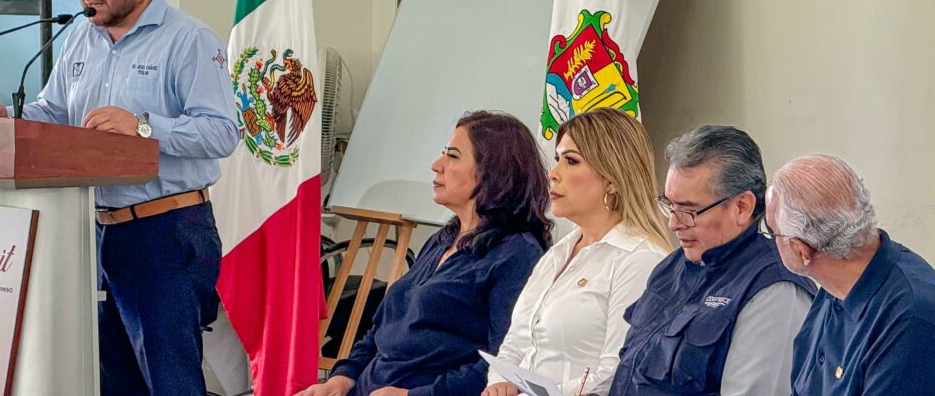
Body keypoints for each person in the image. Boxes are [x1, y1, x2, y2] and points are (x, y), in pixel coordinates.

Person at [0, 0, 239, 395]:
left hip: (165, 232)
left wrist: (141, 127)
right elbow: (54, 112)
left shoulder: (189, 41)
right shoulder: (79, 38)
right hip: (90, 232)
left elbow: (221, 133)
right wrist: (9, 121)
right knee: (110, 379)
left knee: (170, 380)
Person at [296, 111, 552, 396]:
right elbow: (383, 331)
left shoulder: (516, 254)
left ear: (492, 170)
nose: (436, 165)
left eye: (452, 156)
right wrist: (341, 379)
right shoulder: (442, 239)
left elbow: (504, 364)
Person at [610, 125, 815, 396]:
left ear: (742, 207)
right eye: (670, 205)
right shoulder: (671, 268)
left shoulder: (775, 290)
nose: (673, 223)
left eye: (689, 210)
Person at [483, 108, 673, 396]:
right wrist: (499, 381)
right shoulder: (558, 253)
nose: (553, 174)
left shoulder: (640, 259)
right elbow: (516, 343)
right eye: (558, 159)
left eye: (571, 161)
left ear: (612, 178)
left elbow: (617, 373)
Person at [766, 154, 935, 396]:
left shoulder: (911, 317)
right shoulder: (834, 284)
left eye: (771, 231)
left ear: (800, 249)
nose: (770, 239)